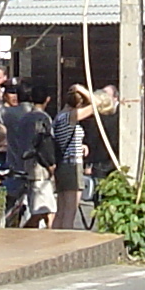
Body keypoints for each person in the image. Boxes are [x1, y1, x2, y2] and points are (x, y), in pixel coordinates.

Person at [0, 84, 52, 228]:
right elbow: (45, 144)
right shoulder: (41, 116)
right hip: (37, 167)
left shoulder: (9, 114)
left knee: (27, 206)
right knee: (44, 209)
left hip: (16, 164)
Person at [52, 85, 93, 230]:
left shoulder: (59, 117)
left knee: (61, 210)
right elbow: (95, 104)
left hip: (62, 164)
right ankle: (66, 242)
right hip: (72, 166)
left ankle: (55, 240)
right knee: (70, 211)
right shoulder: (70, 117)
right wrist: (82, 89)